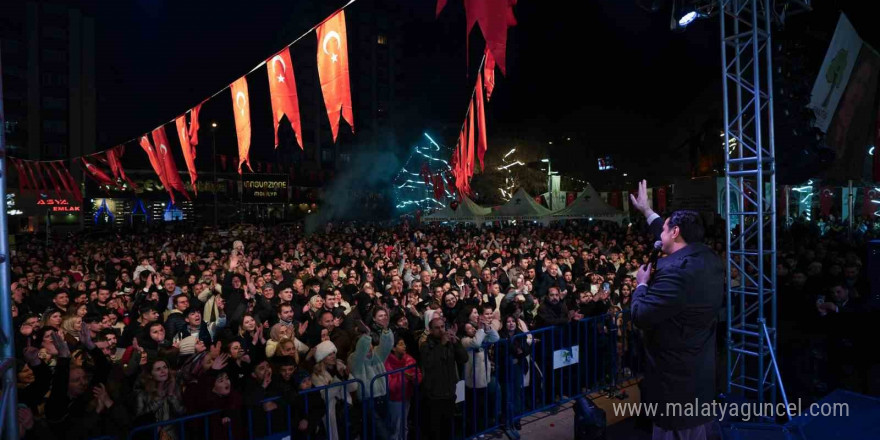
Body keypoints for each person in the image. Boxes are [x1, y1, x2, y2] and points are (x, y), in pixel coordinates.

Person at [629, 179, 723, 439]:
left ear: (675, 232)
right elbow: (665, 231)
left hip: (676, 383)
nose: (660, 234)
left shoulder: (675, 272)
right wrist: (648, 212)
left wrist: (641, 286)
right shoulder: (708, 258)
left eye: (665, 229)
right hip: (699, 370)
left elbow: (640, 315)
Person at [420, 317, 468, 440]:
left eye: (442, 327)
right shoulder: (426, 345)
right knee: (435, 431)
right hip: (434, 394)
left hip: (450, 392)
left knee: (448, 428)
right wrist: (442, 344)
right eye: (437, 328)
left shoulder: (449, 343)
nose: (441, 330)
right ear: (430, 330)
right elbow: (430, 363)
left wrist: (456, 342)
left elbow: (464, 358)